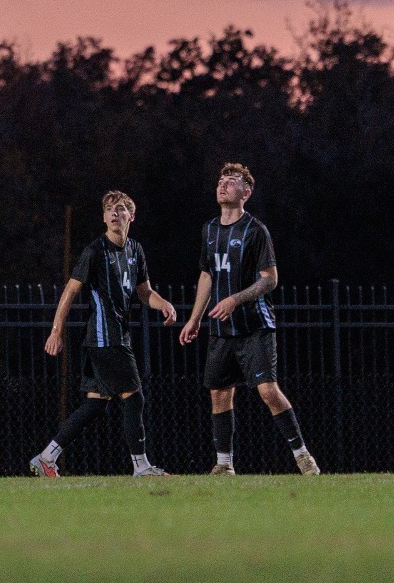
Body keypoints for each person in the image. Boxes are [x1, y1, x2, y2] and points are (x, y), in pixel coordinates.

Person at [177, 163, 318, 476]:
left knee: (267, 391)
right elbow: (206, 275)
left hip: (255, 325)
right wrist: (194, 319)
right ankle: (224, 465)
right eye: (221, 179)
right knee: (219, 392)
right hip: (221, 329)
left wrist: (236, 299)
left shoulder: (256, 231)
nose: (224, 184)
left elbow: (270, 279)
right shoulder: (210, 229)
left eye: (232, 181)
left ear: (246, 193)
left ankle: (302, 456)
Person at [30, 191, 177, 479]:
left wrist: (165, 305)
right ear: (103, 217)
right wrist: (56, 330)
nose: (114, 213)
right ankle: (141, 466)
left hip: (115, 336)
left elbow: (144, 292)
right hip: (104, 337)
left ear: (131, 216)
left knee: (96, 404)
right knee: (134, 398)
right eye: (109, 209)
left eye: (120, 209)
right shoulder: (95, 251)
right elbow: (71, 290)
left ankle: (47, 457)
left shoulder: (135, 250)